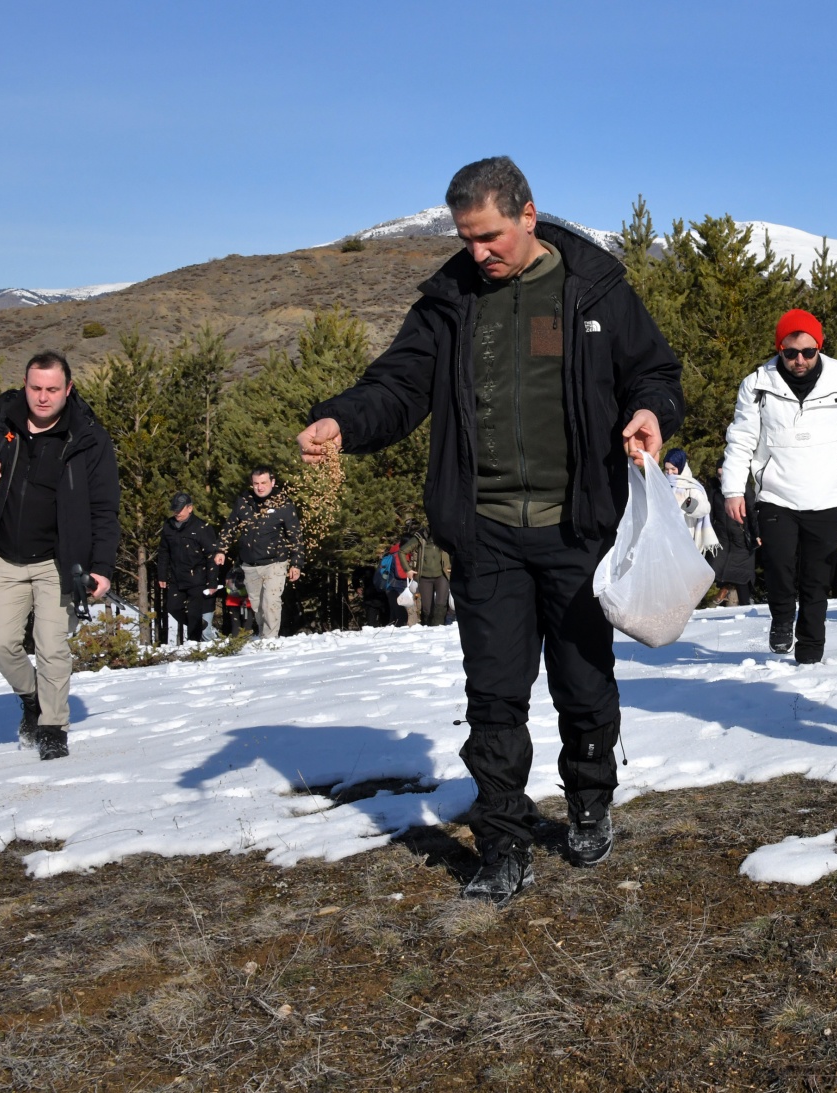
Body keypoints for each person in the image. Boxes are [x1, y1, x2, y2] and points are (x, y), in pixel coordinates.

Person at [298, 156, 683, 904]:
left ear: (528, 216)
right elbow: (397, 385)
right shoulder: (449, 303)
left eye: (489, 237)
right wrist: (343, 420)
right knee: (495, 698)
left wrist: (649, 412)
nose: (477, 253)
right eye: (466, 239)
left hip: (579, 529)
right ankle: (503, 842)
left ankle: (589, 801)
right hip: (487, 534)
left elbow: (655, 374)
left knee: (583, 684)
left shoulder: (594, 288)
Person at [0, 350, 120, 760]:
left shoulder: (88, 436)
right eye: (35, 388)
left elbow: (105, 508)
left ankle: (52, 727)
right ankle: (32, 698)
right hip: (5, 557)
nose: (43, 397)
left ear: (68, 389)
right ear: (25, 386)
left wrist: (101, 566)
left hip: (58, 562)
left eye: (52, 389)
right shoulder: (0, 416)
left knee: (51, 647)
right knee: (0, 645)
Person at [719, 308, 837, 664]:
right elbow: (741, 438)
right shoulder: (757, 384)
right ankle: (781, 619)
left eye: (809, 352)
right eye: (790, 352)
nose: (799, 360)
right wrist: (733, 490)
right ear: (779, 348)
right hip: (775, 493)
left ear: (818, 348)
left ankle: (811, 648)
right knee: (778, 566)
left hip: (825, 494)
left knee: (816, 576)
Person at [214, 467, 302, 639]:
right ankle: (264, 636)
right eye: (256, 483)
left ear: (272, 482)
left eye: (263, 483)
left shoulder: (283, 504)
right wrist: (221, 550)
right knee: (258, 606)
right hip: (250, 565)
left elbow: (295, 535)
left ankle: (270, 640)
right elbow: (230, 526)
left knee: (271, 602)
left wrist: (296, 563)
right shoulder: (244, 502)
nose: (260, 487)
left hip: (275, 563)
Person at [157, 492, 220, 643]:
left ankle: (194, 645)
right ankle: (199, 626)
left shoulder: (201, 527)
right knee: (173, 607)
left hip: (198, 577)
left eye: (180, 509)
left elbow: (212, 556)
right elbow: (164, 551)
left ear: (190, 508)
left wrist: (212, 582)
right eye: (175, 509)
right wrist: (162, 575)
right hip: (177, 577)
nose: (177, 513)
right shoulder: (168, 526)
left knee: (194, 613)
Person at [706, 473, 757, 606]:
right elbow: (709, 513)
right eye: (718, 475)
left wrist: (757, 534)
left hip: (741, 539)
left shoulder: (744, 489)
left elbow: (753, 512)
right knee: (714, 569)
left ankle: (745, 605)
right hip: (722, 537)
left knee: (742, 576)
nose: (721, 478)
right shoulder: (715, 490)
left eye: (724, 474)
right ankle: (723, 590)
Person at [663, 449, 719, 559]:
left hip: (685, 534)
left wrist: (686, 506)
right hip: (666, 535)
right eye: (667, 469)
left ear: (681, 467)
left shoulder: (691, 486)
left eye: (673, 469)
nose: (670, 473)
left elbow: (705, 507)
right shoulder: (664, 484)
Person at [403, 525, 453, 626]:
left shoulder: (446, 535)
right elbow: (402, 551)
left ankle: (438, 628)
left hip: (442, 575)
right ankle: (427, 628)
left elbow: (457, 549)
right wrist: (407, 570)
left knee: (441, 605)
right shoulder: (420, 537)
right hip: (424, 577)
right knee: (427, 609)